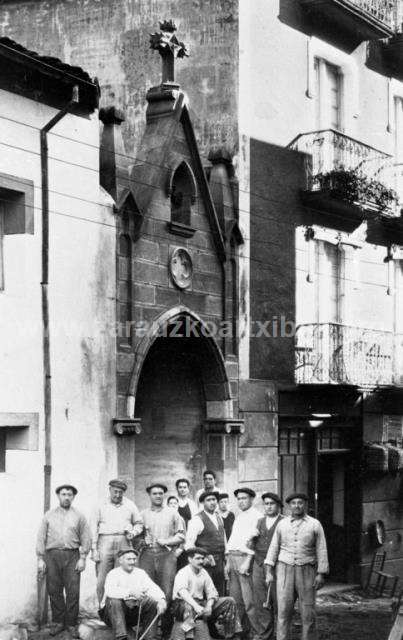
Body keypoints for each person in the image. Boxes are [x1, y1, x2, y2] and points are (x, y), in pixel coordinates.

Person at [265, 493, 329, 640]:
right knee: (283, 611)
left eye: (300, 503)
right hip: (284, 570)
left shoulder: (314, 524)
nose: (297, 506)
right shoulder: (282, 524)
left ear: (305, 504)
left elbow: (322, 549)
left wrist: (321, 573)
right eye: (293, 503)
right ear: (289, 506)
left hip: (307, 570)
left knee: (308, 612)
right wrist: (269, 570)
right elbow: (274, 547)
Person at [36, 484, 91, 638]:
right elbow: (41, 537)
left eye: (69, 494)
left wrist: (83, 558)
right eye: (63, 494)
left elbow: (86, 537)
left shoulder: (79, 516)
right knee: (54, 590)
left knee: (73, 591)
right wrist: (40, 559)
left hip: (72, 555)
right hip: (52, 556)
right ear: (58, 496)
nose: (66, 497)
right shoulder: (49, 515)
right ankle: (59, 622)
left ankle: (71, 624)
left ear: (73, 497)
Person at [139, 482, 185, 639]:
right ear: (149, 495)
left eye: (160, 493)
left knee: (167, 590)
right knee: (147, 591)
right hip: (147, 556)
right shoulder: (142, 514)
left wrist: (166, 541)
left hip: (166, 556)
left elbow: (181, 536)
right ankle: (149, 630)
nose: (158, 496)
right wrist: (143, 541)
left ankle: (166, 630)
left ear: (164, 495)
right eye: (154, 493)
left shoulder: (173, 513)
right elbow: (136, 538)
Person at [91, 479, 143, 604]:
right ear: (109, 490)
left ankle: (124, 611)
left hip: (123, 541)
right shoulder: (100, 505)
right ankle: (103, 609)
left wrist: (133, 533)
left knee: (124, 576)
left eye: (120, 492)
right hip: (104, 541)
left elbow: (139, 523)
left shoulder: (130, 505)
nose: (118, 495)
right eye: (115, 492)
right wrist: (94, 549)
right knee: (102, 579)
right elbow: (93, 526)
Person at [171, 547, 242, 640]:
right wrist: (196, 606)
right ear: (190, 559)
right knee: (188, 606)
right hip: (183, 605)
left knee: (229, 601)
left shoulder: (203, 572)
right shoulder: (183, 572)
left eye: (202, 558)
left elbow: (212, 591)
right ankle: (189, 637)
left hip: (200, 604)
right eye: (198, 558)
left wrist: (209, 606)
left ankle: (231, 635)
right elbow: (183, 593)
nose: (201, 561)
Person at [100, 548, 167, 640]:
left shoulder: (140, 573)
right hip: (112, 615)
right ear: (120, 560)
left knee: (153, 602)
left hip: (132, 613)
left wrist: (162, 600)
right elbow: (110, 591)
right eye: (129, 559)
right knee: (114, 601)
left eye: (134, 559)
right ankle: (122, 636)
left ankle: (149, 636)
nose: (132, 562)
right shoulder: (113, 573)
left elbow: (152, 588)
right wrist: (130, 592)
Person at [226, 487, 261, 639]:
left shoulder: (257, 516)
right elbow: (232, 540)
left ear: (252, 499)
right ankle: (239, 631)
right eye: (239, 498)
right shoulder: (239, 516)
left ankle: (258, 632)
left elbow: (254, 543)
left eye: (244, 498)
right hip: (233, 558)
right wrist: (228, 561)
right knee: (236, 599)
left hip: (245, 559)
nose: (241, 501)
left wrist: (247, 561)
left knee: (250, 601)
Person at [251, 492, 283, 640]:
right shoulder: (259, 521)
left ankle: (281, 634)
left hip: (276, 566)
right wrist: (251, 538)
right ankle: (265, 634)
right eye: (266, 504)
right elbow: (251, 545)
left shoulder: (284, 522)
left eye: (272, 504)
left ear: (278, 506)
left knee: (278, 600)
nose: (269, 506)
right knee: (261, 600)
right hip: (258, 563)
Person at [185, 491, 226, 596]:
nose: (212, 502)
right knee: (204, 592)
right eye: (208, 500)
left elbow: (223, 538)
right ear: (203, 503)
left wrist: (226, 556)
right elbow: (189, 544)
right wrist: (201, 558)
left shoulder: (219, 517)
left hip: (220, 561)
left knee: (219, 590)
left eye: (214, 500)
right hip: (205, 563)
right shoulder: (197, 519)